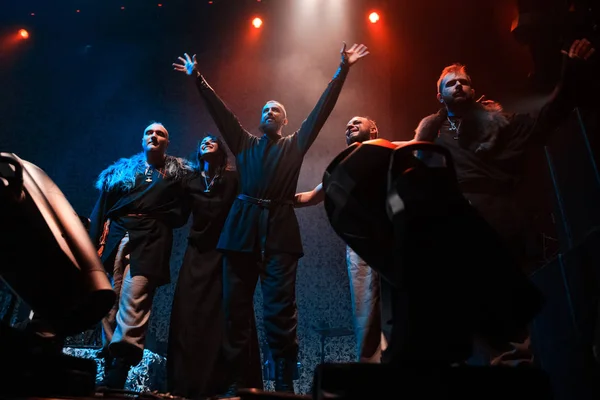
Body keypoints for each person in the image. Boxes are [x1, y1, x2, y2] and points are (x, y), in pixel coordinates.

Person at [173, 43, 369, 393]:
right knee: (234, 307)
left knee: (279, 310)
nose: (268, 111)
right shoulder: (244, 144)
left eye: (275, 109)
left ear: (285, 120)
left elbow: (321, 112)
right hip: (241, 229)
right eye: (264, 109)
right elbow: (222, 114)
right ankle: (236, 379)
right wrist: (198, 79)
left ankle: (282, 381)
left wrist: (342, 70)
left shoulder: (294, 144)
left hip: (279, 230)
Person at [412, 38, 596, 365]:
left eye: (463, 82)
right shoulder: (432, 138)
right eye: (450, 83)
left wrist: (572, 72)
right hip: (460, 232)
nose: (458, 86)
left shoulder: (502, 123)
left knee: (519, 310)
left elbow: (548, 114)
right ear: (440, 96)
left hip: (504, 223)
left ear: (473, 89)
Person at [295, 116, 407, 363]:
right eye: (347, 125)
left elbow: (415, 143)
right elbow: (312, 197)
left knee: (399, 306)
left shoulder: (387, 148)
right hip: (362, 247)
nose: (350, 126)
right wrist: (273, 198)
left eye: (357, 122)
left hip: (396, 242)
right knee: (365, 310)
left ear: (373, 129)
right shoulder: (344, 166)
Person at [89, 122, 192, 389]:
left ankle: (120, 367)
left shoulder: (178, 174)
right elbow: (101, 210)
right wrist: (91, 245)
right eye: (149, 132)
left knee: (135, 298)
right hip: (117, 235)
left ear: (167, 143)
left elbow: (183, 211)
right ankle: (110, 361)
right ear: (142, 139)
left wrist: (160, 219)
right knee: (109, 302)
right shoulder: (120, 173)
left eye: (160, 134)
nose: (154, 136)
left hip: (151, 238)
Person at [167, 135, 263, 398]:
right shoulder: (191, 181)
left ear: (222, 149)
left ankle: (233, 380)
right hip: (197, 254)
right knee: (189, 313)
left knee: (229, 315)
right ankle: (186, 383)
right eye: (203, 140)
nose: (206, 142)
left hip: (226, 254)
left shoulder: (233, 179)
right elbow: (178, 216)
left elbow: (247, 210)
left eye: (213, 140)